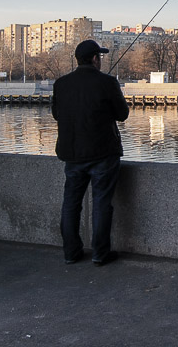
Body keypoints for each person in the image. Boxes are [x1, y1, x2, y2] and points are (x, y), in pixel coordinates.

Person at [52, 39, 130, 266]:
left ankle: (70, 252)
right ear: (95, 59)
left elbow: (57, 114)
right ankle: (100, 253)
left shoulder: (61, 84)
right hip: (103, 153)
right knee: (101, 203)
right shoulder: (107, 82)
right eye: (100, 57)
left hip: (72, 154)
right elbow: (122, 114)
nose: (101, 60)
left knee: (71, 203)